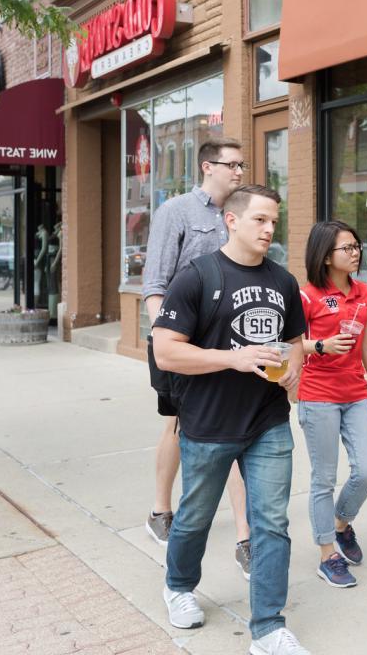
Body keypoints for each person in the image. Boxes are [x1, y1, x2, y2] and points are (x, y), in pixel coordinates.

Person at [152, 184, 311, 655]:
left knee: (271, 524)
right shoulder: (197, 277)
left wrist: (294, 368)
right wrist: (233, 359)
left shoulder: (283, 281)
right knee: (196, 517)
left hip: (267, 422)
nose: (269, 229)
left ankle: (267, 627)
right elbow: (166, 352)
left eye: (273, 221)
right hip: (207, 423)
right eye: (260, 219)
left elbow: (296, 340)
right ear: (232, 220)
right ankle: (178, 586)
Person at [142, 138, 255, 579]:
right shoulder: (176, 212)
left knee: (236, 426)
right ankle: (160, 509)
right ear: (208, 167)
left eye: (243, 164)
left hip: (235, 338)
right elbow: (155, 283)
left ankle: (246, 537)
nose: (239, 172)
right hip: (184, 338)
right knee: (179, 423)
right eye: (232, 165)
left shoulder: (242, 212)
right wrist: (164, 341)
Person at [297, 220, 367, 589]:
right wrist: (320, 345)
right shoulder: (307, 297)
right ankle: (327, 554)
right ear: (325, 255)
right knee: (323, 479)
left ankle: (340, 523)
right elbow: (289, 344)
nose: (355, 253)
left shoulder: (365, 293)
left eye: (356, 246)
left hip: (356, 395)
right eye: (346, 248)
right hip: (318, 396)